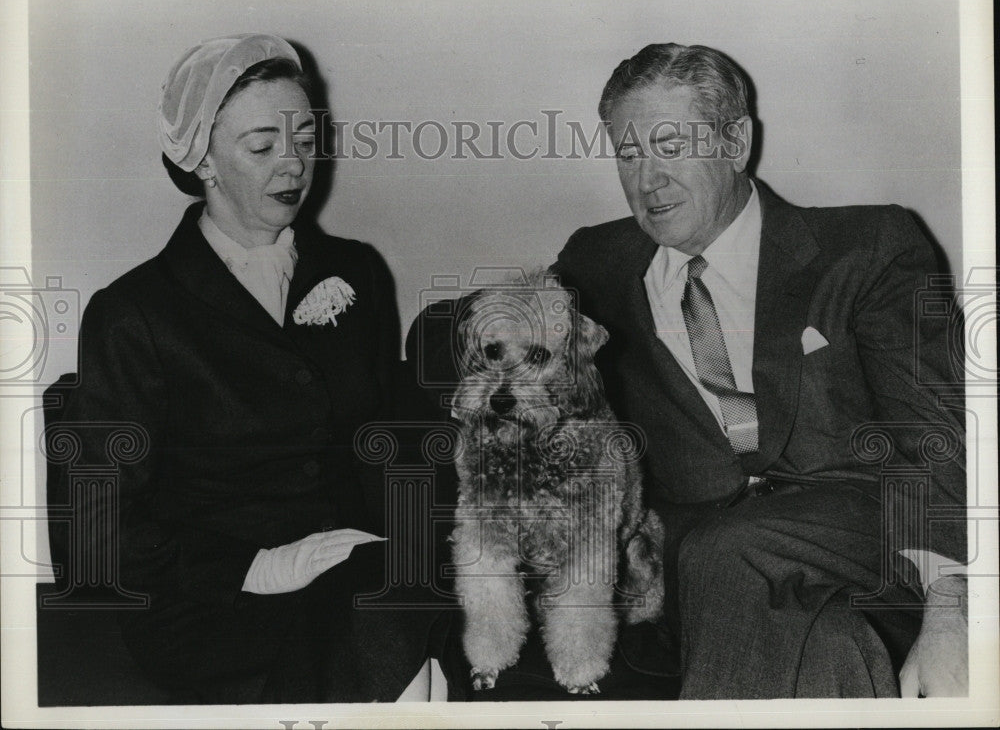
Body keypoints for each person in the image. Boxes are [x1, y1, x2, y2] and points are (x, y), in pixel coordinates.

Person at [549, 43, 968, 698]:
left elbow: (932, 436)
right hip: (699, 587)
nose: (647, 179)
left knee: (733, 544)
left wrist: (952, 613)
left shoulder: (866, 246)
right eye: (628, 154)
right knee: (828, 645)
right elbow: (486, 328)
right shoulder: (595, 263)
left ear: (735, 141)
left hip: (861, 541)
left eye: (668, 145)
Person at [55, 34, 453, 703]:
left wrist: (414, 532)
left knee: (393, 612)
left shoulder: (355, 271)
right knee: (384, 630)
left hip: (360, 565)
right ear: (202, 160)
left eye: (305, 138)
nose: (295, 164)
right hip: (212, 602)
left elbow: (394, 438)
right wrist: (259, 566)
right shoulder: (133, 314)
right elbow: (97, 527)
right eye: (263, 145)